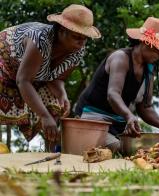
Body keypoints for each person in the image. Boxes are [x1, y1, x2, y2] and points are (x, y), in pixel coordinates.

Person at [0, 4, 101, 151]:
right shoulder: (40, 39)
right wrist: (44, 116)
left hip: (29, 76)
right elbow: (23, 81)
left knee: (56, 104)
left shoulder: (78, 51)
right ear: (61, 31)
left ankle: (50, 156)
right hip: (5, 63)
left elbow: (57, 79)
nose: (81, 42)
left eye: (85, 38)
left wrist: (62, 94)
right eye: (77, 37)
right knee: (45, 113)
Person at [75, 17, 159, 152]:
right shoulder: (121, 58)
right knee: (124, 150)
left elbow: (146, 107)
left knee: (149, 150)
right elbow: (113, 94)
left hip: (120, 123)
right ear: (145, 42)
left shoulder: (149, 70)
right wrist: (129, 116)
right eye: (158, 50)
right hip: (93, 119)